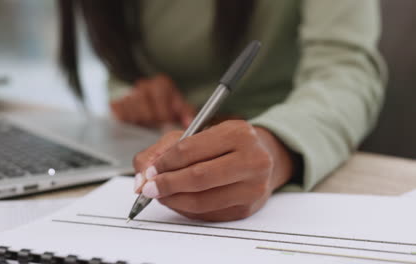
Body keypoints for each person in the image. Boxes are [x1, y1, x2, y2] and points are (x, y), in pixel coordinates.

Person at [58, 0, 386, 222]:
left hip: (296, 153)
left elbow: (346, 71)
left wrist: (278, 144)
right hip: (154, 143)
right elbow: (120, 62)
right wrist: (132, 93)